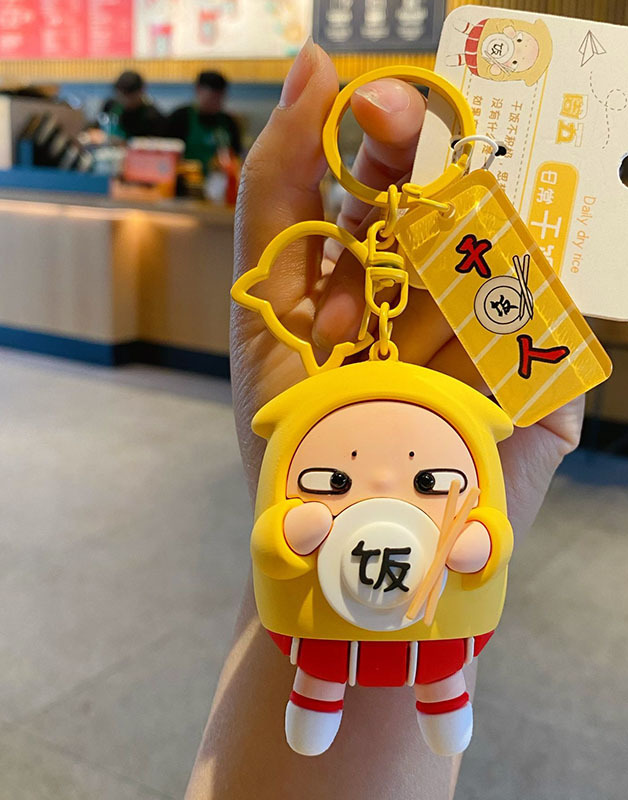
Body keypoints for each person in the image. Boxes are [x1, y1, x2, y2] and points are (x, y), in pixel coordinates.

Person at [185, 39, 584, 799]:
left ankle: (418, 700)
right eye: (334, 479)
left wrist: (474, 537)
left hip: (400, 618)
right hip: (361, 619)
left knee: (411, 667)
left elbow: (481, 539)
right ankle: (344, 698)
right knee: (338, 663)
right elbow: (279, 538)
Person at [166, 70, 242, 173]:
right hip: (187, 179)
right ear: (198, 90)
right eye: (211, 97)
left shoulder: (229, 122)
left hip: (221, 179)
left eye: (219, 98)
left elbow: (237, 155)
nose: (216, 102)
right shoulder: (180, 118)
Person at [100, 71, 165, 140]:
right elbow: (96, 127)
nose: (125, 100)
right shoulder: (111, 106)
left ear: (141, 91)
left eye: (130, 97)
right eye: (121, 95)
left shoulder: (152, 116)